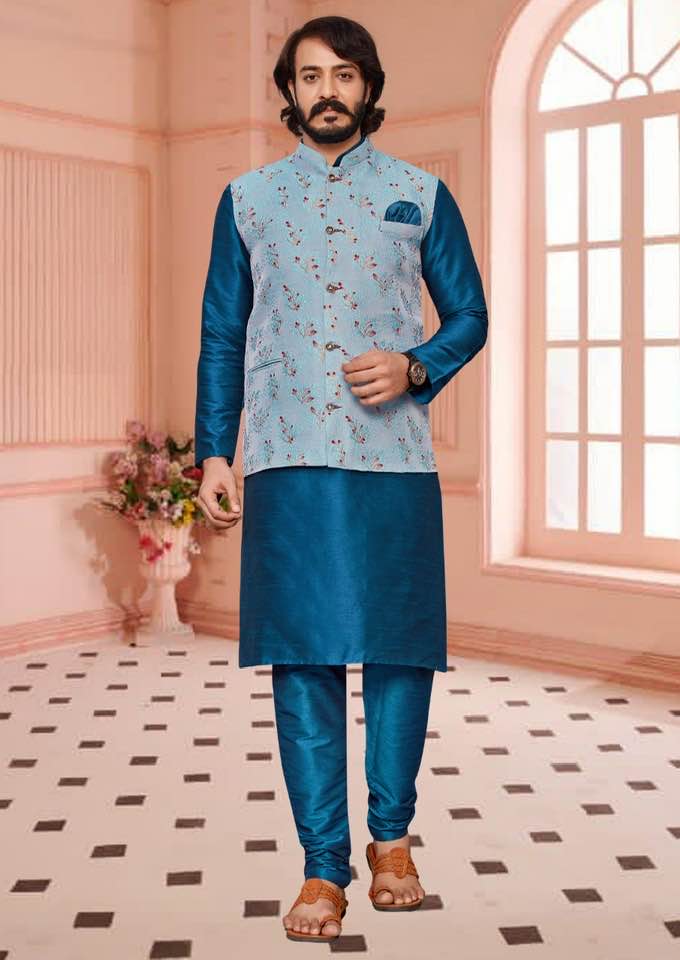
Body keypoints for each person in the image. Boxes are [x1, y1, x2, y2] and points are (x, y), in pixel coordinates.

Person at [194, 15, 488, 943]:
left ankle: (391, 840)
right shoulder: (247, 200)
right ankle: (323, 865)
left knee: (402, 651)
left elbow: (470, 314)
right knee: (304, 660)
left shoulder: (419, 193)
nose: (328, 90)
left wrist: (415, 365)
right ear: (289, 90)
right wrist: (214, 451)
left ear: (368, 87)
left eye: (346, 75)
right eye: (311, 75)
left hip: (393, 458)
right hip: (287, 457)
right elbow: (222, 332)